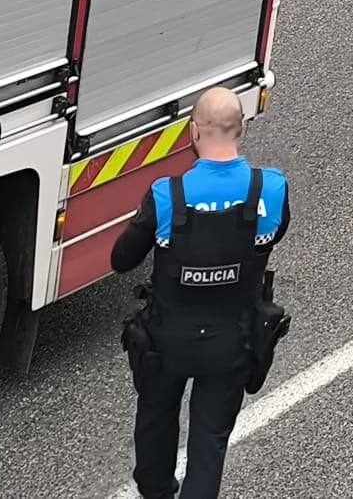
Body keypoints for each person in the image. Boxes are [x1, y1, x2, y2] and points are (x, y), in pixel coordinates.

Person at [116, 87, 293, 499]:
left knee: (156, 420)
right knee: (209, 443)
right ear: (242, 128)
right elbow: (276, 233)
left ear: (192, 131)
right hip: (233, 341)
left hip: (166, 342)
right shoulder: (272, 188)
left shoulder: (166, 195)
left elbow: (122, 259)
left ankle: (157, 490)